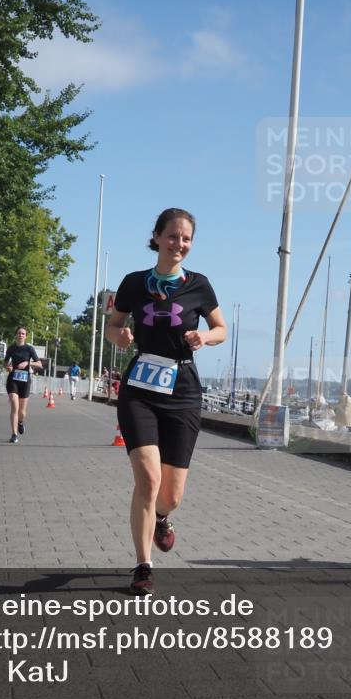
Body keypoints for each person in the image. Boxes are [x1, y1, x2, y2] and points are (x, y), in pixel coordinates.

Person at [106, 208, 227, 595]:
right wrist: (119, 337)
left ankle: (161, 517)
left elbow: (222, 329)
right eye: (173, 236)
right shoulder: (133, 283)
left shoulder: (200, 285)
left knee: (171, 494)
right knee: (148, 477)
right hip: (140, 386)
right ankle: (143, 566)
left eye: (186, 238)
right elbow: (113, 324)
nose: (180, 244)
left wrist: (204, 338)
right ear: (156, 237)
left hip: (183, 387)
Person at [4, 327, 42, 443]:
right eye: (19, 333)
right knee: (14, 406)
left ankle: (20, 422)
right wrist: (7, 367)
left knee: (22, 412)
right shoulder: (11, 348)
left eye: (23, 333)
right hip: (13, 379)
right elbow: (5, 363)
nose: (20, 335)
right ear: (16, 335)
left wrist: (28, 362)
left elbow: (39, 364)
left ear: (25, 336)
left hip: (25, 381)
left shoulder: (29, 349)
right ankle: (14, 434)